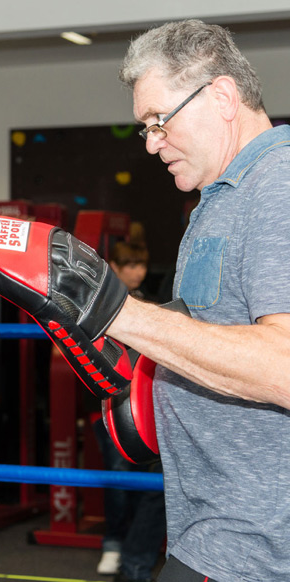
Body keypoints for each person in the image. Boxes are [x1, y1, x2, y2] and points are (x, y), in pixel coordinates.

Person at [106, 19, 290, 581]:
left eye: (160, 121)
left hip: (257, 544)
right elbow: (213, 334)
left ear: (223, 96)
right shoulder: (219, 200)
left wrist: (118, 310)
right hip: (214, 526)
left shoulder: (276, 188)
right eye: (144, 128)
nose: (152, 142)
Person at [94, 241, 167, 581]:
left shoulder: (150, 305)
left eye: (142, 264)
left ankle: (133, 556)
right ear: (114, 266)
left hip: (144, 409)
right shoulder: (100, 307)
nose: (137, 271)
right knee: (119, 483)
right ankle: (114, 545)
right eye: (130, 264)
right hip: (110, 407)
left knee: (147, 486)